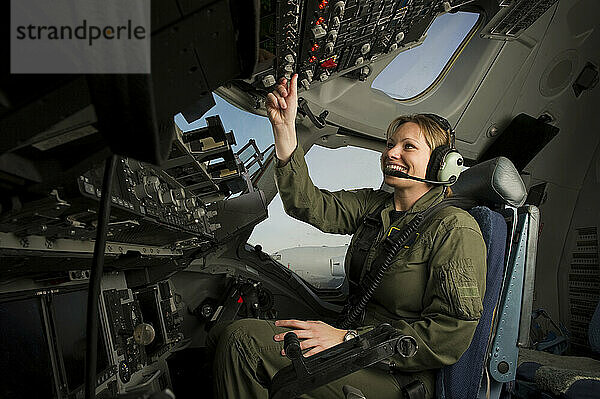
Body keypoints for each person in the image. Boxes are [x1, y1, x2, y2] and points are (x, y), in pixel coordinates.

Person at [209, 74, 487, 399]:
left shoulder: (454, 228)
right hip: (354, 342)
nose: (391, 153)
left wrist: (348, 340)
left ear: (442, 165)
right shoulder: (374, 206)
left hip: (397, 371)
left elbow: (448, 336)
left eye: (408, 146)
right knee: (220, 334)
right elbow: (310, 205)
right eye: (389, 144)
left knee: (242, 343)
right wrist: (285, 132)